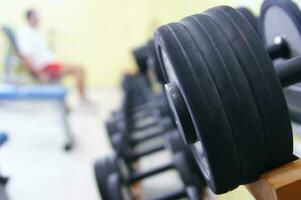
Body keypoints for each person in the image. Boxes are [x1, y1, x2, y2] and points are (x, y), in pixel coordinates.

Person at [16, 9, 87, 100]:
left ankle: (81, 99)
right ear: (28, 18)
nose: (38, 20)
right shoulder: (24, 33)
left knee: (78, 67)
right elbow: (26, 56)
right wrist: (39, 73)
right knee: (79, 69)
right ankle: (82, 100)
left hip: (50, 64)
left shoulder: (35, 32)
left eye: (38, 17)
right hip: (45, 68)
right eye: (35, 17)